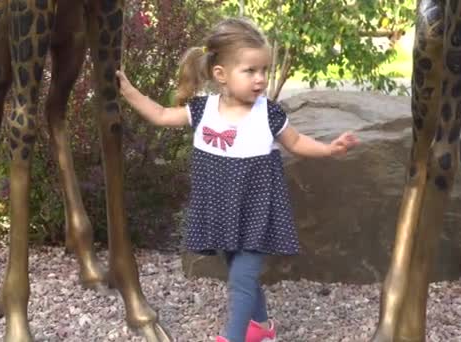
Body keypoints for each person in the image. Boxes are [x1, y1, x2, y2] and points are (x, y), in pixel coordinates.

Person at [115, 17, 359, 342]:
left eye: (264, 71)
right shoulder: (203, 110)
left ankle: (234, 338)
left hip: (257, 213)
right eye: (250, 71)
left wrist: (330, 149)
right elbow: (160, 114)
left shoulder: (269, 114)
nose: (260, 79)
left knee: (241, 280)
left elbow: (297, 143)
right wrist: (128, 91)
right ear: (221, 75)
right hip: (221, 212)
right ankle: (261, 328)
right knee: (238, 273)